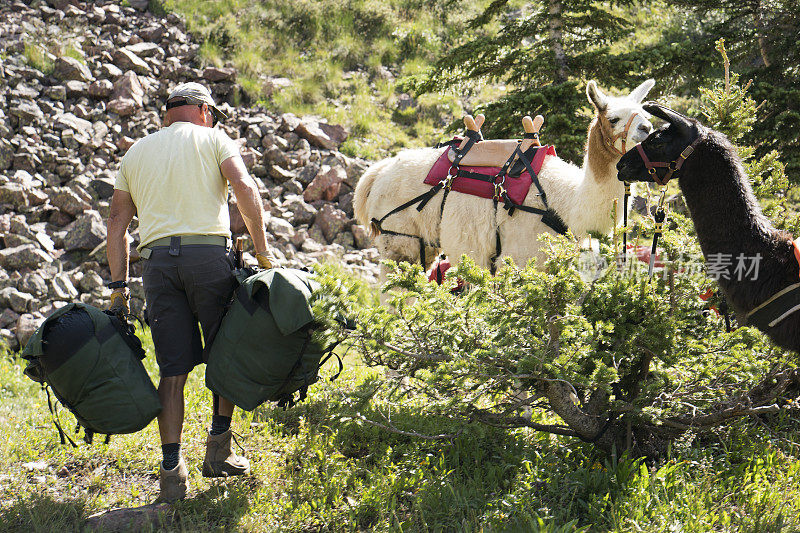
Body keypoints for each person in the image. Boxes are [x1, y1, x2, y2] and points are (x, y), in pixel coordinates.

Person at [106, 82, 276, 502]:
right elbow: (246, 190)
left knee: (173, 370)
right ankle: (218, 451)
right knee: (225, 352)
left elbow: (116, 225)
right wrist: (262, 252)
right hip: (208, 260)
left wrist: (118, 289)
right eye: (213, 114)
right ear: (203, 110)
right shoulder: (214, 138)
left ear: (168, 114)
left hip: (159, 266)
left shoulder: (137, 152)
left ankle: (170, 473)